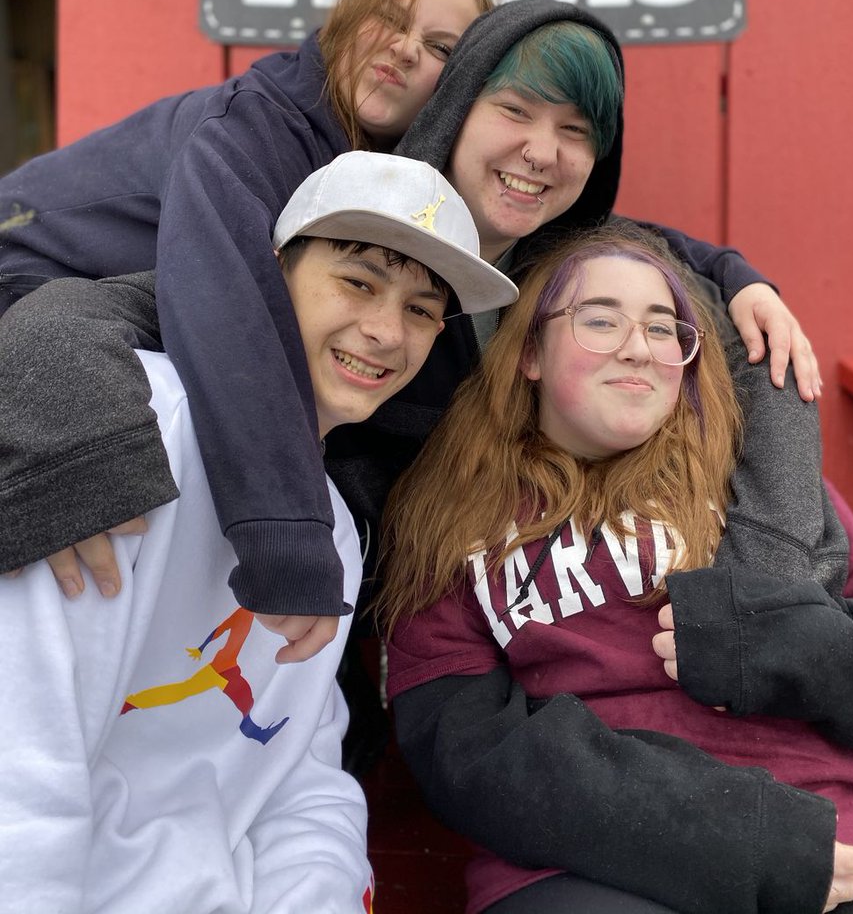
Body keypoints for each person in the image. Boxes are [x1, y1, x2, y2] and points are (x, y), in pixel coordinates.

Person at [1, 0, 838, 650]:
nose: (542, 152)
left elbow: (771, 367)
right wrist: (77, 459)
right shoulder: (348, 214)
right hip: (336, 619)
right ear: (458, 108)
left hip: (597, 620)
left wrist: (770, 591)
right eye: (515, 111)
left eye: (576, 132)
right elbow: (91, 311)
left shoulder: (592, 266)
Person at [0, 151, 518, 913]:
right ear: (272, 275)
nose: (384, 331)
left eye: (420, 308)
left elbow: (300, 783)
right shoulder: (124, 428)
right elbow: (21, 751)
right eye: (358, 281)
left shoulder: (333, 533)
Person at [380, 224, 853, 914]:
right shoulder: (449, 518)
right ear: (530, 351)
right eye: (599, 320)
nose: (637, 348)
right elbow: (466, 755)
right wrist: (732, 839)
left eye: (664, 330)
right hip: (602, 859)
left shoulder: (764, 491)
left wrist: (804, 645)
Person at [0, 0, 494, 638]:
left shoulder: (376, 176)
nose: (405, 50)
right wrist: (289, 544)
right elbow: (230, 304)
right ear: (344, 20)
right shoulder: (253, 123)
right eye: (390, 19)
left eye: (440, 46)